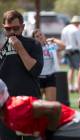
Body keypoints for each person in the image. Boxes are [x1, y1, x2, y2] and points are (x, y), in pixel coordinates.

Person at [0, 78, 80, 140]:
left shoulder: (14, 109)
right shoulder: (6, 113)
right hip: (68, 127)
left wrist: (49, 133)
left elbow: (55, 108)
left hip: (74, 126)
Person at [0, 10, 43, 139]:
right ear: (3, 28)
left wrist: (19, 48)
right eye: (8, 29)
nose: (12, 32)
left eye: (16, 28)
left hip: (30, 104)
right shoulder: (1, 45)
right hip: (6, 107)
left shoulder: (33, 44)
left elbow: (35, 70)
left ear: (23, 27)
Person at [32, 29, 65, 101]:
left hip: (50, 77)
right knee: (38, 103)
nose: (40, 37)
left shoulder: (50, 46)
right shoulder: (33, 48)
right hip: (38, 78)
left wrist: (53, 39)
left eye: (41, 34)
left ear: (44, 35)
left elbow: (63, 46)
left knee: (51, 103)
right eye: (37, 36)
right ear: (34, 39)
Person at [61, 15, 80, 93]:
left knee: (71, 69)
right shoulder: (76, 30)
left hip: (67, 51)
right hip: (76, 51)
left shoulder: (65, 29)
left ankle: (70, 87)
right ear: (77, 23)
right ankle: (77, 86)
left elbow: (62, 41)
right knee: (79, 70)